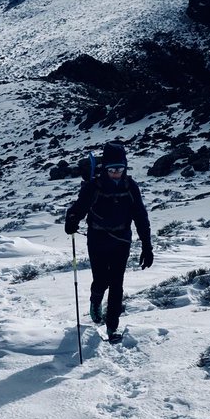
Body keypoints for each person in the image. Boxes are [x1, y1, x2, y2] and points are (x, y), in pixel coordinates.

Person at [64, 140, 153, 341]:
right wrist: (71, 220)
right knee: (102, 279)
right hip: (97, 239)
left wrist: (147, 246)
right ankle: (96, 299)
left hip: (122, 240)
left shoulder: (131, 187)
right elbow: (78, 208)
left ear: (125, 167)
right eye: (112, 168)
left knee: (117, 283)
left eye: (120, 169)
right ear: (105, 168)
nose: (116, 173)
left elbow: (140, 216)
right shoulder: (94, 187)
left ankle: (112, 327)